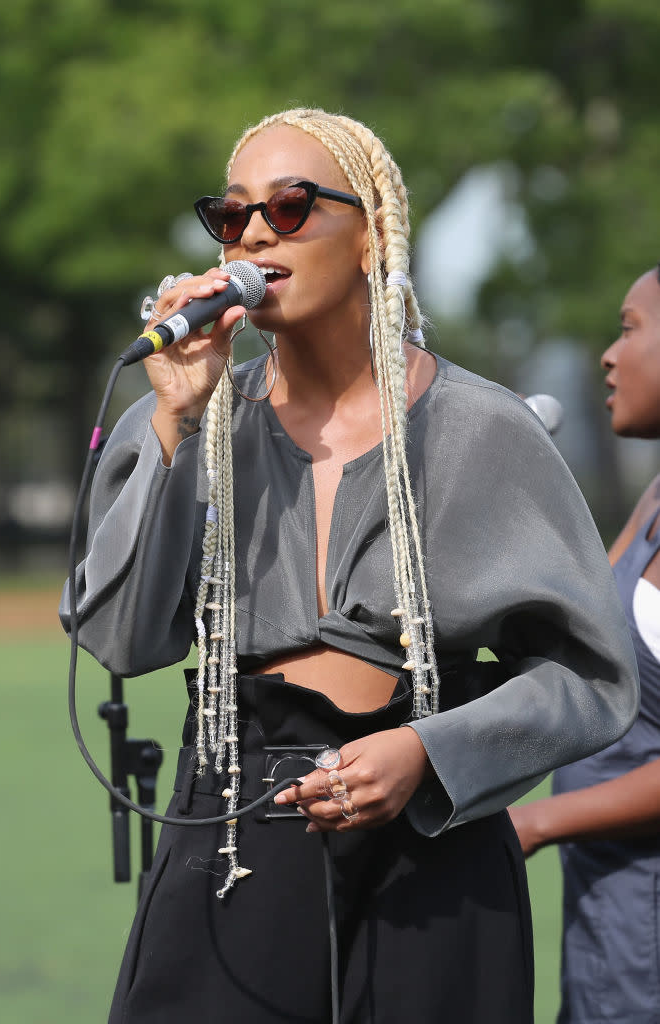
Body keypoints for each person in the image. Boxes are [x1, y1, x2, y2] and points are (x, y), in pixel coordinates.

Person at [60, 108, 639, 1024]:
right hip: (239, 821)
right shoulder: (191, 419)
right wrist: (174, 420)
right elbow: (121, 637)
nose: (253, 232)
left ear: (372, 233)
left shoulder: (482, 428)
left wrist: (428, 750)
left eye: (288, 208)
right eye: (231, 215)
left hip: (432, 835)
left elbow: (588, 675)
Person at [510, 265, 660, 1024]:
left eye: (630, 328)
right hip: (606, 910)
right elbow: (576, 632)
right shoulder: (658, 493)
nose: (607, 354)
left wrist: (533, 822)